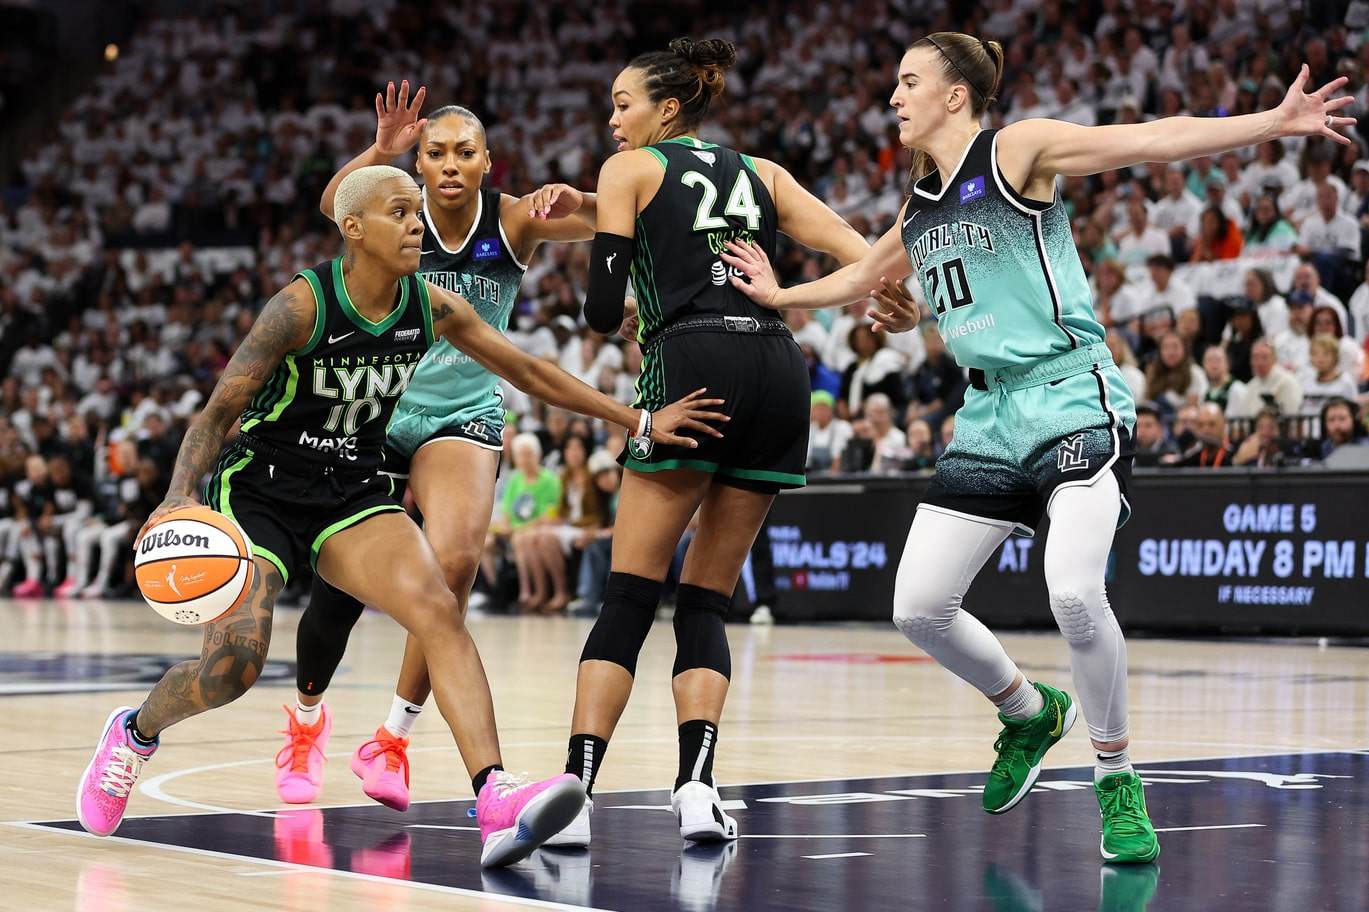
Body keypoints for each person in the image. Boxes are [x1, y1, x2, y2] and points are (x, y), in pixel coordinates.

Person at [724, 32, 1352, 863]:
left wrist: (1270, 122)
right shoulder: (921, 204)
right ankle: (1028, 712)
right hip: (986, 416)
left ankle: (1115, 777)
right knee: (916, 607)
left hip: (1068, 393)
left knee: (1074, 594)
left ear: (955, 94)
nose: (893, 98)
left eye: (908, 82)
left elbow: (1152, 138)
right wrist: (780, 294)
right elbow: (866, 275)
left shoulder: (1014, 152)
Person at [74, 164, 723, 869]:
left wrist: (637, 418)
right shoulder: (300, 306)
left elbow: (528, 372)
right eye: (400, 213)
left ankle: (495, 796)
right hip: (264, 490)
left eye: (417, 213)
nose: (418, 225)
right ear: (354, 229)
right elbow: (216, 413)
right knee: (234, 667)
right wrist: (178, 494)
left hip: (350, 490)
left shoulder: (431, 305)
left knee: (438, 609)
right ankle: (134, 733)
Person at [551, 37, 906, 849]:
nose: (612, 120)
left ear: (667, 108)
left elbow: (601, 312)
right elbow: (861, 252)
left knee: (630, 595)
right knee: (706, 599)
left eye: (623, 104)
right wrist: (894, 301)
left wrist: (621, 266)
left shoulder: (629, 170)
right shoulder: (763, 173)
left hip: (693, 363)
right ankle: (698, 790)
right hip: (777, 370)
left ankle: (576, 789)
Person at [275, 86, 610, 811]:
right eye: (436, 153)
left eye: (465, 152)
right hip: (377, 410)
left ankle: (391, 739)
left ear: (488, 162)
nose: (450, 164)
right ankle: (305, 719)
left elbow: (612, 215)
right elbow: (335, 202)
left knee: (454, 564)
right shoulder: (397, 213)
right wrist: (379, 151)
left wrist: (578, 196)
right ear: (419, 165)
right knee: (337, 594)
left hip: (462, 411)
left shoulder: (515, 218)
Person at [1231, 339, 1304, 418]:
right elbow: (1244, 418)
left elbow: (1292, 416)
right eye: (1255, 357)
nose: (1259, 362)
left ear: (1274, 359)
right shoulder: (1251, 386)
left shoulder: (1288, 382)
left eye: (1264, 357)